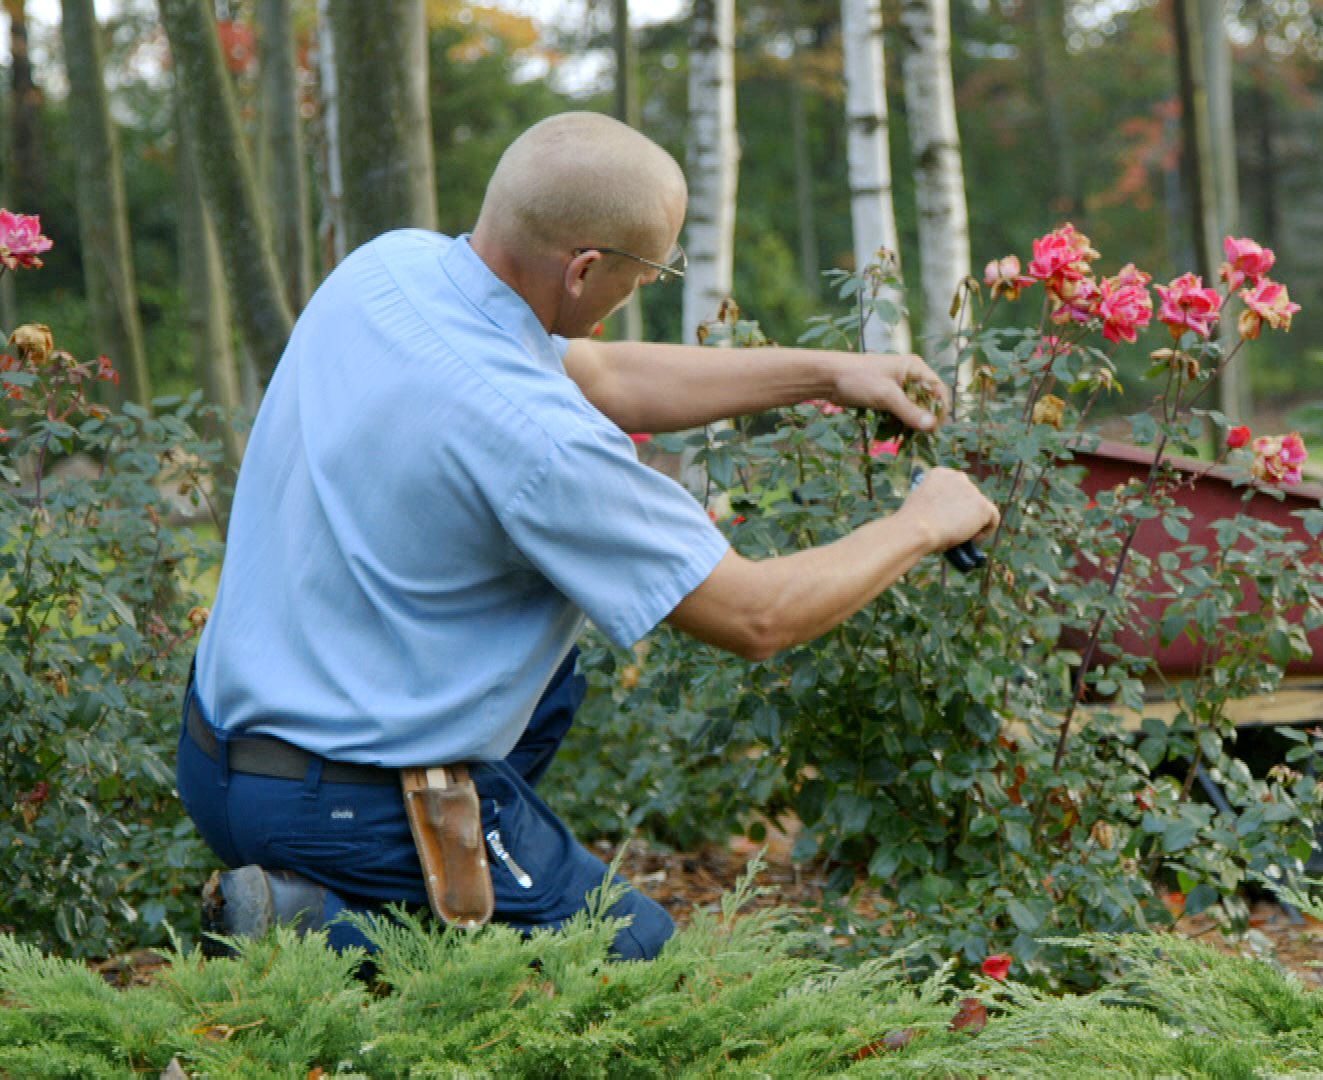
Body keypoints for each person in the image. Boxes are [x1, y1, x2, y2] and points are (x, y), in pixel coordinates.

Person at [175, 111, 999, 961]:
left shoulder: (389, 269)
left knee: (553, 670)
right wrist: (924, 521)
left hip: (216, 755)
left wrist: (829, 372)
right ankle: (323, 928)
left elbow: (601, 372)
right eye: (647, 272)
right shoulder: (539, 441)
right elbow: (758, 615)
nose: (644, 290)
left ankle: (403, 886)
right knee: (629, 950)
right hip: (342, 805)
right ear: (584, 269)